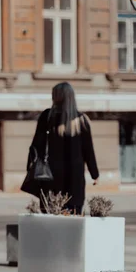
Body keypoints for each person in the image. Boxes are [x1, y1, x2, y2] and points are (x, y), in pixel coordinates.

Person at [27, 82, 99, 215]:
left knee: (51, 216)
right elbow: (88, 150)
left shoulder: (47, 117)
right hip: (75, 178)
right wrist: (95, 174)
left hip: (50, 177)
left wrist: (30, 167)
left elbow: (36, 145)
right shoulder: (82, 121)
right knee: (73, 215)